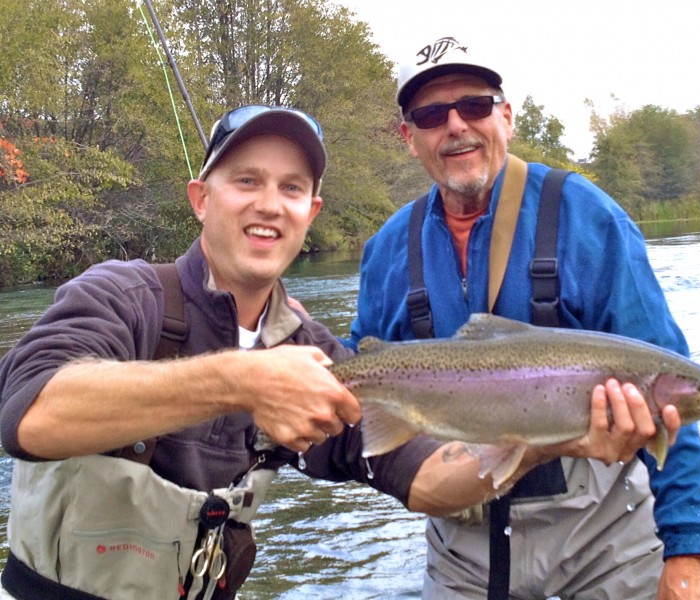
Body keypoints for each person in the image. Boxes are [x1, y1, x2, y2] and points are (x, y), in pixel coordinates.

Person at [0, 106, 445, 599]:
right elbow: (29, 415)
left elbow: (423, 476)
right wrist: (242, 381)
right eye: (247, 181)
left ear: (310, 212)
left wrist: (535, 436)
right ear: (201, 200)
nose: (271, 205)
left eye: (291, 188)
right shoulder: (121, 295)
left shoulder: (311, 349)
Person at [347, 36, 700, 599]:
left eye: (474, 105)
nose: (455, 126)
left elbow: (670, 396)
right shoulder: (387, 249)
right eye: (430, 114)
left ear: (506, 115)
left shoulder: (586, 215)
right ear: (409, 137)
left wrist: (687, 554)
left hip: (603, 537)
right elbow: (356, 389)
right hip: (461, 544)